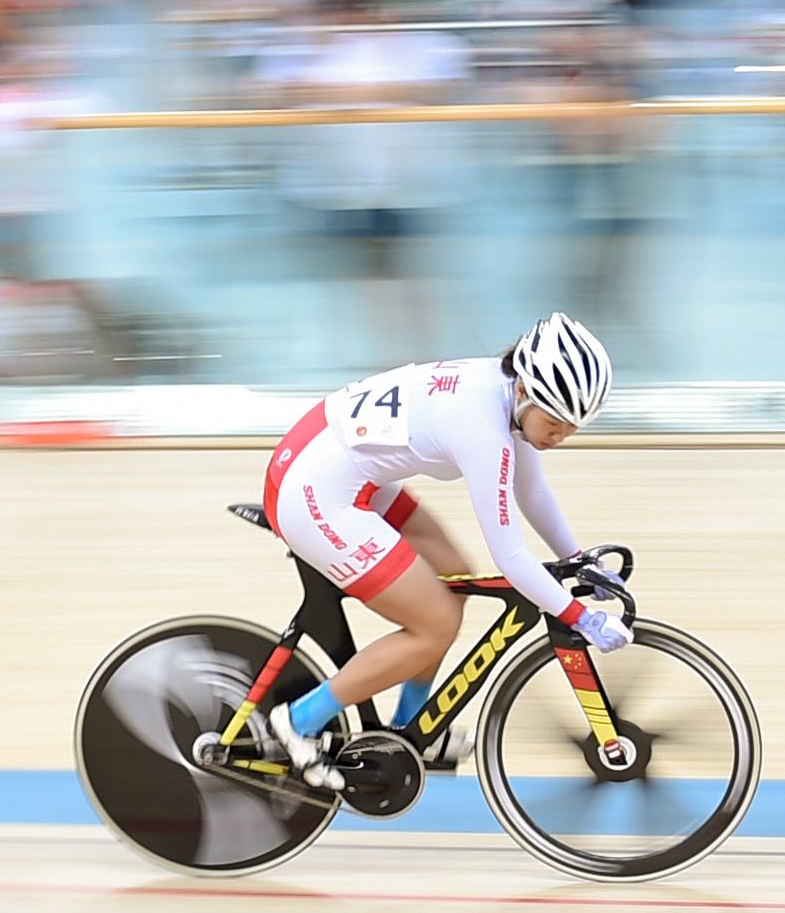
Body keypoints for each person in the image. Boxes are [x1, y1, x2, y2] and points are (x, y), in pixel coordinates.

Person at [254, 311, 627, 785]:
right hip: (314, 490)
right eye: (555, 422)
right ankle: (298, 720)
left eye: (573, 427)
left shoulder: (506, 393)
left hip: (344, 468)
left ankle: (412, 730)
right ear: (528, 390)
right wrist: (579, 616)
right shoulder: (482, 427)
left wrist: (576, 558)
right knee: (435, 624)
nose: (560, 436)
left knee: (455, 576)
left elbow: (531, 491)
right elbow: (511, 558)